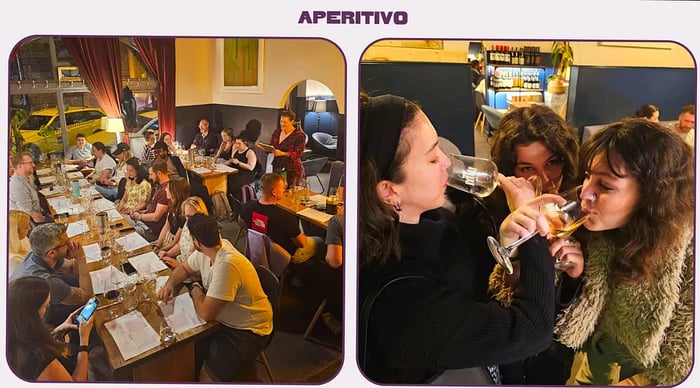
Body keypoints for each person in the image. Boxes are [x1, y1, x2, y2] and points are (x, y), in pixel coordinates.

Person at [358, 92, 563, 384]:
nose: (447, 162)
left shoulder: (436, 221)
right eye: (431, 158)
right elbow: (531, 331)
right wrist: (534, 228)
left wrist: (510, 244)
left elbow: (485, 292)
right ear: (389, 191)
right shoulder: (398, 300)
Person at [555, 118, 694, 386]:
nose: (585, 193)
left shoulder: (686, 250)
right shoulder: (593, 227)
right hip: (592, 358)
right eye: (586, 176)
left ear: (653, 194)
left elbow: (685, 354)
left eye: (604, 186)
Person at [157, 213, 273, 382]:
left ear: (196, 242)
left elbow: (205, 313)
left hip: (248, 332)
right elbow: (184, 269)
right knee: (185, 350)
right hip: (224, 321)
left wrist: (195, 288)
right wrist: (170, 284)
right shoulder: (211, 248)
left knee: (205, 376)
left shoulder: (227, 265)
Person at [7, 276, 95, 381]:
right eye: (45, 306)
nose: (49, 306)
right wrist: (84, 341)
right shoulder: (37, 358)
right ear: (32, 315)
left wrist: (58, 330)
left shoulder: (15, 331)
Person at [9, 223, 93, 327]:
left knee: (73, 281)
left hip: (28, 310)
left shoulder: (37, 256)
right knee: (91, 307)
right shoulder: (46, 281)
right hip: (37, 324)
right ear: (52, 252)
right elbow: (87, 297)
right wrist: (81, 258)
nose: (70, 244)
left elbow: (72, 269)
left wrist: (76, 257)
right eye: (66, 243)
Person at [239, 173, 324, 263]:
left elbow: (241, 222)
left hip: (257, 249)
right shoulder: (285, 217)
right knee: (320, 240)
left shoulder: (248, 207)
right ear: (274, 192)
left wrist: (258, 233)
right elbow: (302, 244)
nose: (284, 190)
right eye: (283, 188)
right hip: (285, 255)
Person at [156, 196, 209, 268]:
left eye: (193, 216)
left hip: (190, 271)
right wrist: (168, 254)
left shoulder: (206, 234)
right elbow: (181, 244)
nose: (190, 220)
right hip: (181, 263)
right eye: (187, 216)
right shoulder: (187, 224)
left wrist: (179, 266)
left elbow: (202, 270)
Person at [258, 110, 306, 187]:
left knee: (291, 193)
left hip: (292, 169)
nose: (282, 124)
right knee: (277, 189)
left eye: (285, 122)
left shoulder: (299, 135)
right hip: (277, 166)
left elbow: (298, 154)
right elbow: (272, 147)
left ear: (292, 121)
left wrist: (283, 153)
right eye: (281, 121)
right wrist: (264, 148)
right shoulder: (277, 132)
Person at [127, 158, 170, 242]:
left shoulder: (165, 191)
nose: (150, 177)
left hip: (150, 230)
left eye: (151, 175)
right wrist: (141, 212)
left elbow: (156, 217)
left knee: (126, 233)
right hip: (144, 223)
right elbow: (153, 210)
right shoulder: (160, 187)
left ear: (159, 174)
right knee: (121, 220)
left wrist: (139, 216)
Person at [10, 151, 51, 224]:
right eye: (30, 163)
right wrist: (50, 220)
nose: (34, 165)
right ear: (20, 166)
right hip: (30, 225)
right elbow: (31, 216)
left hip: (39, 214)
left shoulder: (26, 178)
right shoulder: (19, 187)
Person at [153, 178, 190, 256]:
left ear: (175, 192)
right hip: (166, 239)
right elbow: (166, 227)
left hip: (173, 245)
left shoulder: (183, 213)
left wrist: (161, 250)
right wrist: (157, 246)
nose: (165, 190)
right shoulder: (171, 204)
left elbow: (176, 241)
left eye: (168, 188)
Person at [227, 136, 258, 202]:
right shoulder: (236, 150)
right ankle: (228, 200)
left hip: (246, 173)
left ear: (245, 143)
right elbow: (232, 161)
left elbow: (251, 167)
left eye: (239, 143)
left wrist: (238, 163)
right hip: (236, 171)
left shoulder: (250, 152)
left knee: (233, 181)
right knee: (225, 178)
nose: (237, 145)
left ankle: (235, 201)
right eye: (236, 143)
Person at [9, 209, 32, 276]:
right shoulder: (13, 260)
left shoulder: (23, 238)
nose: (30, 228)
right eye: (26, 227)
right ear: (15, 231)